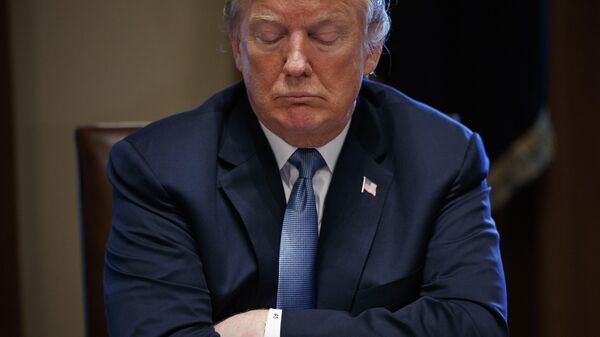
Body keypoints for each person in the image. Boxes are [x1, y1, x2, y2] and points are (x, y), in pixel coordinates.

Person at [104, 0, 508, 336]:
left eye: (325, 36)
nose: (296, 63)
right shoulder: (159, 169)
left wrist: (271, 329)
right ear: (237, 47)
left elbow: (475, 324)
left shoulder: (443, 157)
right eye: (269, 36)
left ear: (371, 47)